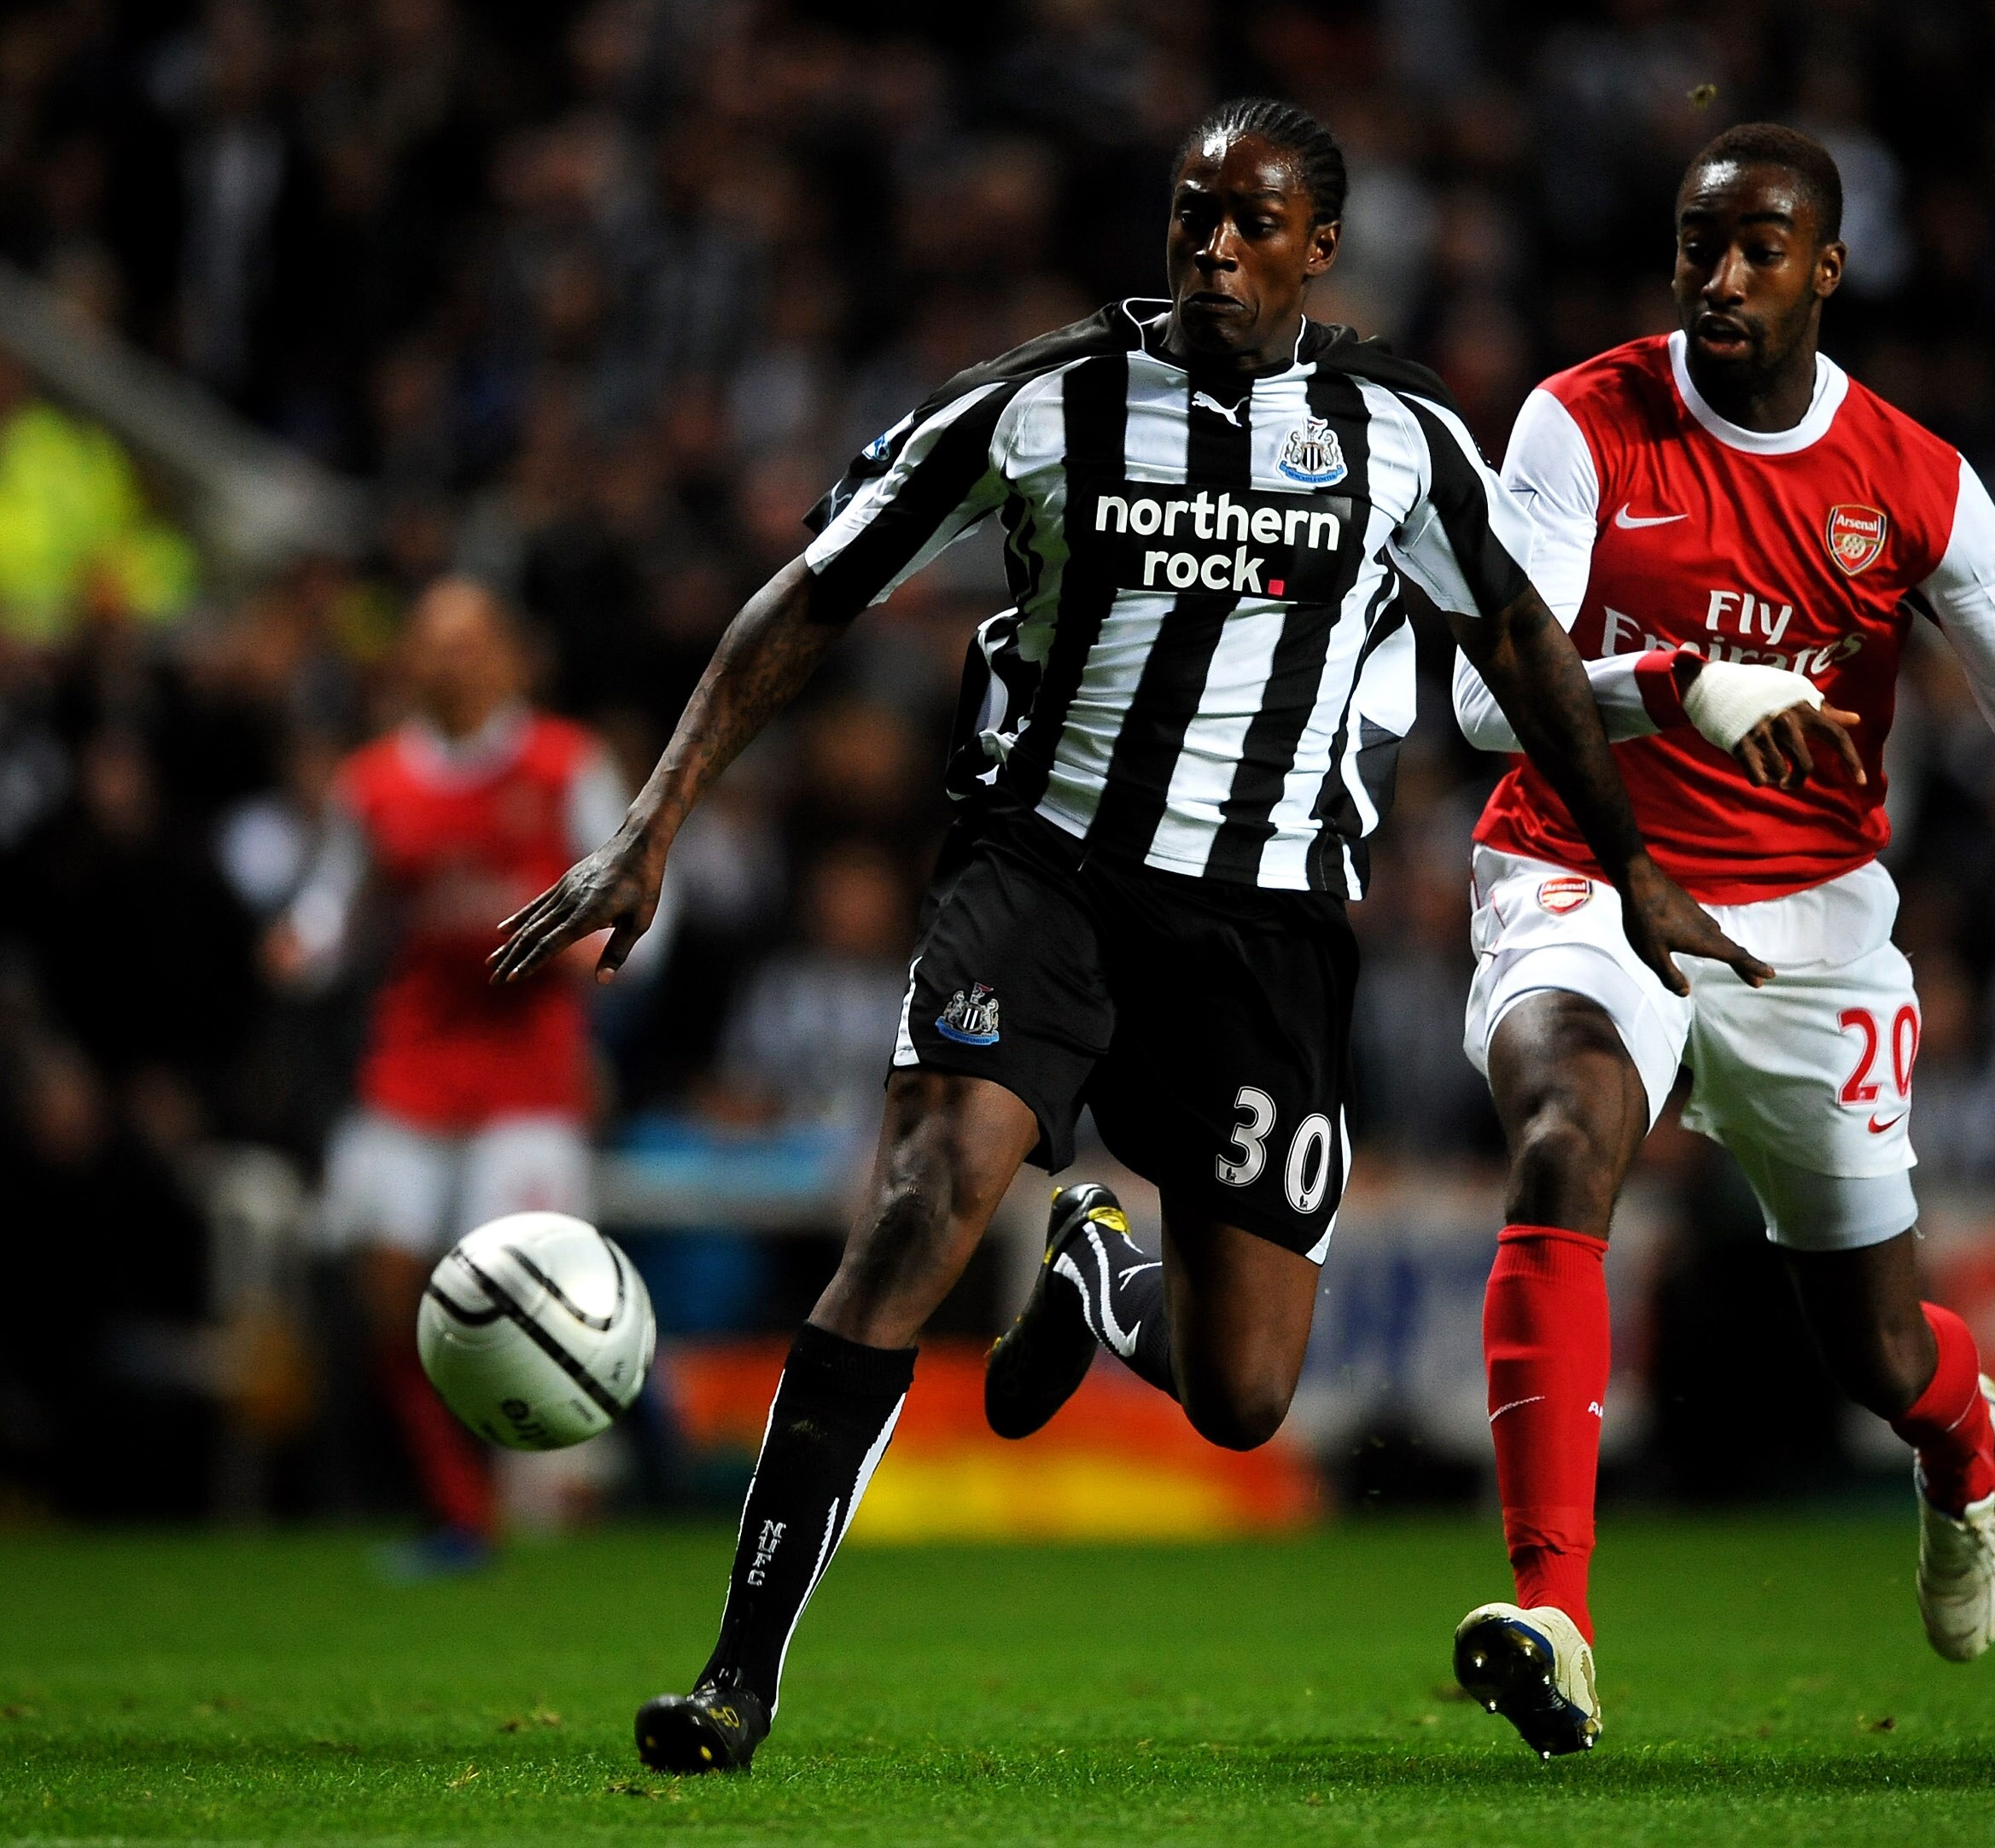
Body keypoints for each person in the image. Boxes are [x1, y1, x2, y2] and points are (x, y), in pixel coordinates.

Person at [490, 97, 1770, 1775]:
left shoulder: (1399, 440)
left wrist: (1636, 861)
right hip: (1044, 877)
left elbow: (1520, 649)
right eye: (1191, 219)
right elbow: (812, 590)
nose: (1215, 250)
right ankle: (738, 1670)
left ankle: (1100, 1270)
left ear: (1322, 245)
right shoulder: (1043, 403)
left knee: (1246, 1389)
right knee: (927, 1195)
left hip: (1264, 930)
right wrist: (651, 819)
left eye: (1252, 225)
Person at [1442, 124, 1995, 1756]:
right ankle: (1558, 1611)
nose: (1721, 278)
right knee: (1563, 1131)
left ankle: (1959, 1432)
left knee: (1875, 1346)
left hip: (1811, 924)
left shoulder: (1910, 478)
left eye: (1761, 249)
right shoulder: (1577, 421)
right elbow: (1490, 700)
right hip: (1585, 866)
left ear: (1828, 269)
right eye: (1698, 244)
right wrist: (1671, 683)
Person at [269, 577, 650, 1577]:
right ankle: (459, 1510)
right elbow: (331, 901)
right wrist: (300, 945)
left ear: (510, 654)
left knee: (514, 1288)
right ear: (410, 660)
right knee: (389, 1293)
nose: (452, 660)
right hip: (412, 1066)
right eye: (433, 642)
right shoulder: (375, 782)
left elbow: (648, 893)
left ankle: (568, 1477)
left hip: (528, 1076)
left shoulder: (567, 764)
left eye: (471, 641)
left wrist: (595, 951)